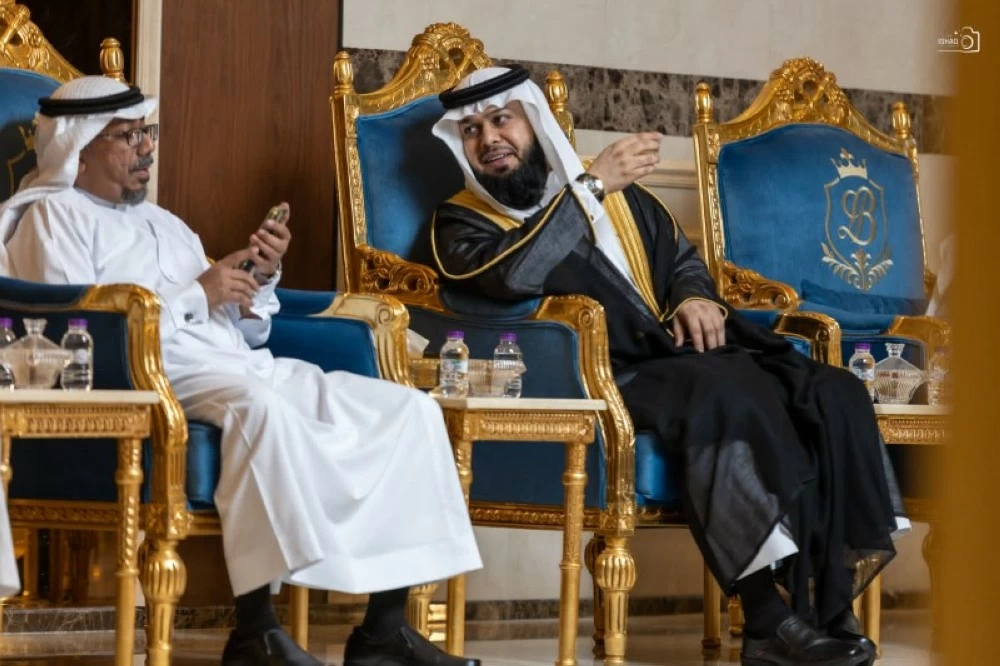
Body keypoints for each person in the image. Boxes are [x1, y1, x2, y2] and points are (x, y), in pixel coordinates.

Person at [431, 66, 910, 666]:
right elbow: (513, 274)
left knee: (833, 391)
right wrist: (590, 187)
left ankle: (824, 603)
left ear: (534, 123)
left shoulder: (624, 197)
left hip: (680, 358)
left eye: (501, 120)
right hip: (603, 375)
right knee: (726, 393)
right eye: (471, 130)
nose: (488, 139)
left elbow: (681, 260)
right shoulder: (462, 221)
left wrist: (693, 298)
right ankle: (767, 622)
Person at [0, 76, 482, 666]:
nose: (146, 148)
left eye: (148, 133)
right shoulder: (51, 217)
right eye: (128, 137)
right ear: (80, 148)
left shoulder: (165, 223)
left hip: (239, 362)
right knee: (259, 410)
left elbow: (247, 329)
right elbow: (77, 327)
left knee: (409, 409)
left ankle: (383, 630)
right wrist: (199, 293)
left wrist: (257, 278)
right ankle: (254, 630)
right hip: (155, 374)